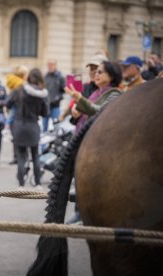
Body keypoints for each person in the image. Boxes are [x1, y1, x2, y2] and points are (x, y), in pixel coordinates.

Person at [64, 61, 123, 224]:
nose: (96, 75)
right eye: (95, 72)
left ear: (111, 76)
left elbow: (98, 112)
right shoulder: (97, 92)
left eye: (100, 72)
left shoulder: (115, 93)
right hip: (84, 140)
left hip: (100, 145)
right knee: (81, 178)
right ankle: (80, 212)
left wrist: (78, 98)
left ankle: (86, 214)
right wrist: (76, 113)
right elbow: (85, 112)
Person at [6, 68, 48, 189]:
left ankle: (21, 184)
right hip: (33, 125)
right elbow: (45, 113)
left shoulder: (19, 90)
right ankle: (38, 183)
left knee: (21, 156)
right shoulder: (43, 93)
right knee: (35, 156)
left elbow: (7, 103)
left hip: (19, 125)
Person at [59, 53, 108, 123]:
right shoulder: (85, 87)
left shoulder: (111, 90)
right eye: (91, 68)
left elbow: (101, 113)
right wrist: (75, 113)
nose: (94, 72)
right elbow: (76, 111)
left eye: (97, 69)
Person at [43, 59, 65, 132]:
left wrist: (58, 98)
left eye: (52, 65)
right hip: (46, 106)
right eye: (49, 65)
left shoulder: (60, 77)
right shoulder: (45, 76)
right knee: (44, 127)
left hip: (55, 106)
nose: (50, 66)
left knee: (56, 125)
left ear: (55, 65)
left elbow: (64, 90)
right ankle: (43, 143)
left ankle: (56, 142)